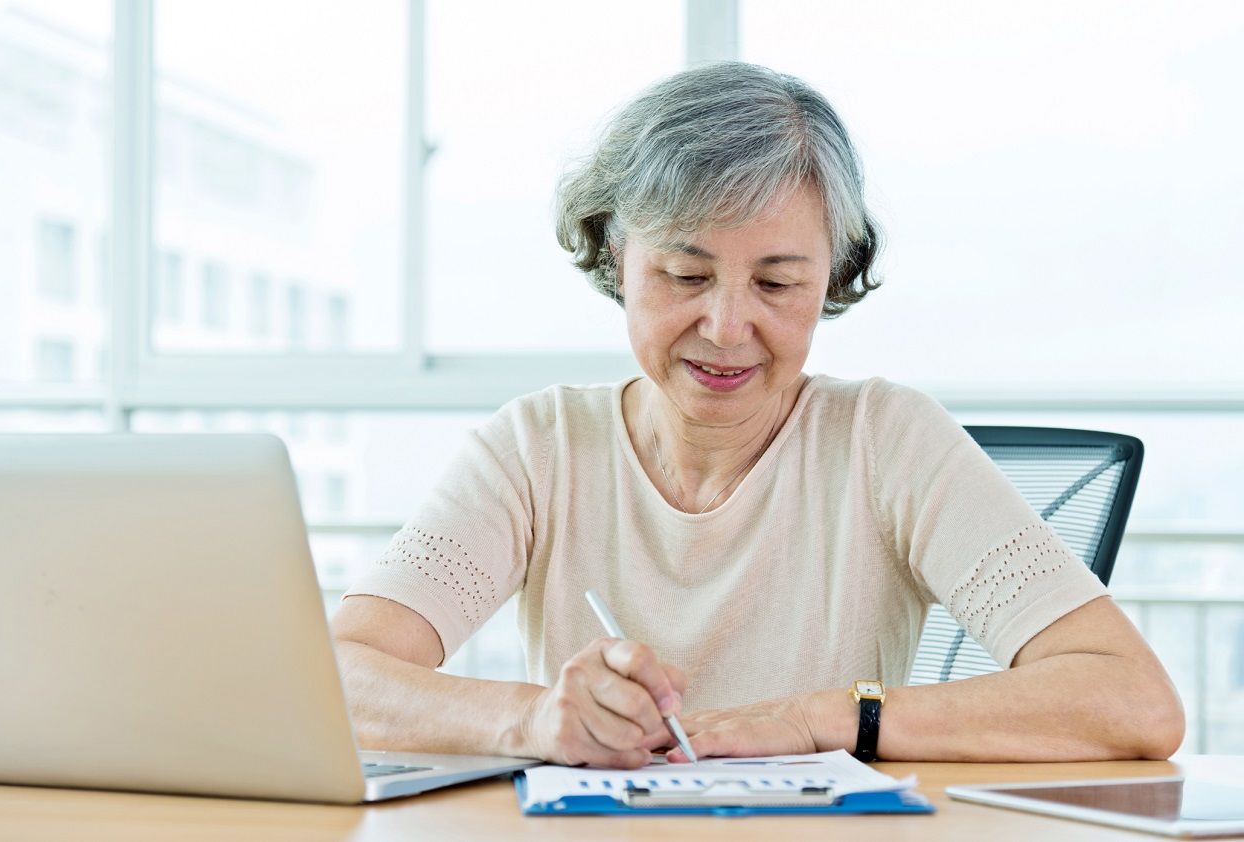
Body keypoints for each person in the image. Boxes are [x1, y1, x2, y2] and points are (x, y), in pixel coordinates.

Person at [331, 62, 1183, 768]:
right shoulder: (538, 449)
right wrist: (531, 722)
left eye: (777, 284)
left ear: (833, 277)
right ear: (617, 258)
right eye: (685, 276)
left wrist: (824, 719)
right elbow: (335, 675)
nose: (728, 328)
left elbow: (1131, 700)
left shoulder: (889, 443)